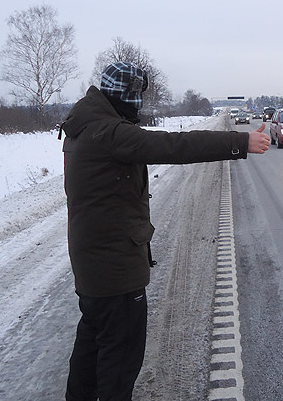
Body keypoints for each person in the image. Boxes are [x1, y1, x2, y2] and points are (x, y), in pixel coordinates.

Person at [58, 61, 269, 401]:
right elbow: (175, 145)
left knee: (90, 352)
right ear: (123, 96)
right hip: (116, 272)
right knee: (119, 362)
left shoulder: (84, 126)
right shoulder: (111, 134)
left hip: (92, 266)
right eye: (136, 96)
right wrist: (240, 141)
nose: (140, 104)